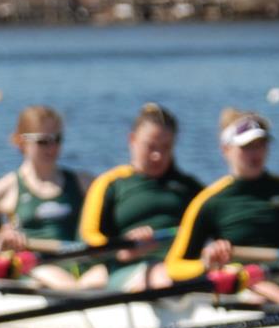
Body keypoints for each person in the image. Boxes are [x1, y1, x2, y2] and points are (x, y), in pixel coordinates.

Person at [162, 110, 279, 305]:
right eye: (247, 146)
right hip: (243, 283)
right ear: (226, 149)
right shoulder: (209, 201)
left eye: (261, 144)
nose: (256, 153)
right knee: (251, 286)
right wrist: (207, 263)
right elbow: (174, 267)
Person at [0, 106, 94, 291]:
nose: (52, 147)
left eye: (57, 139)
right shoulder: (5, 188)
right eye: (43, 141)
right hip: (34, 266)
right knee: (61, 281)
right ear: (20, 142)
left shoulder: (83, 182)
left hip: (77, 263)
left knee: (98, 277)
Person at [78, 103, 203, 291]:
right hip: (128, 266)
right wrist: (124, 250)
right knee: (163, 277)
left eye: (165, 147)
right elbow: (90, 238)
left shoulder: (189, 187)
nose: (157, 156)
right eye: (150, 146)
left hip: (180, 266)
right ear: (132, 139)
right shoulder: (110, 184)